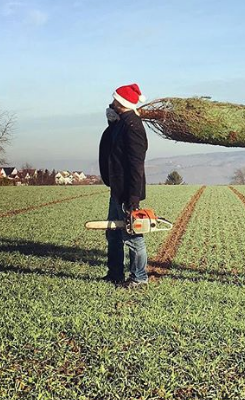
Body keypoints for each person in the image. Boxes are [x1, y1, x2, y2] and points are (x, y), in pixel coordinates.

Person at [99, 83, 149, 288]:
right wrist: (111, 123)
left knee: (133, 236)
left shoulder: (133, 126)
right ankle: (115, 274)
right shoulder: (121, 123)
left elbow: (136, 165)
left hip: (127, 193)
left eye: (114, 100)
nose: (111, 103)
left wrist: (133, 199)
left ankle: (139, 277)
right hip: (117, 190)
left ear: (122, 102)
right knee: (113, 234)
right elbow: (111, 147)